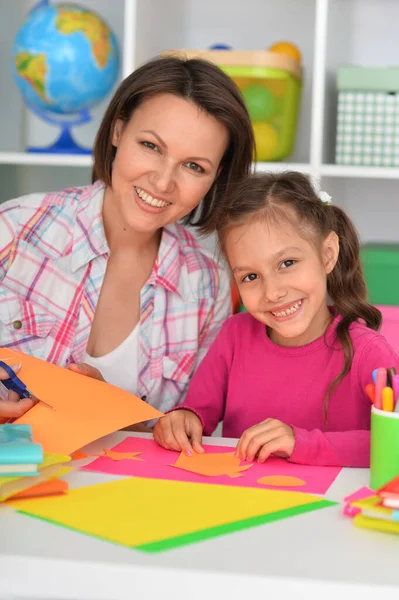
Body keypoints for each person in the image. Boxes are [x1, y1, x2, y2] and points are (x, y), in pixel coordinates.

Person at [0, 55, 255, 425]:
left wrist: (111, 410)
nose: (164, 182)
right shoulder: (15, 230)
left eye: (194, 166)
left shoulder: (208, 285)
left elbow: (186, 429)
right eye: (151, 146)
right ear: (118, 132)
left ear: (215, 179)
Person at [153, 171, 399, 467]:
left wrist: (300, 443)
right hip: (248, 504)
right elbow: (197, 410)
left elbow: (393, 445)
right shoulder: (234, 336)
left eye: (287, 263)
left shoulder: (368, 352)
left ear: (327, 254)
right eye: (251, 276)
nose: (272, 292)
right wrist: (183, 418)